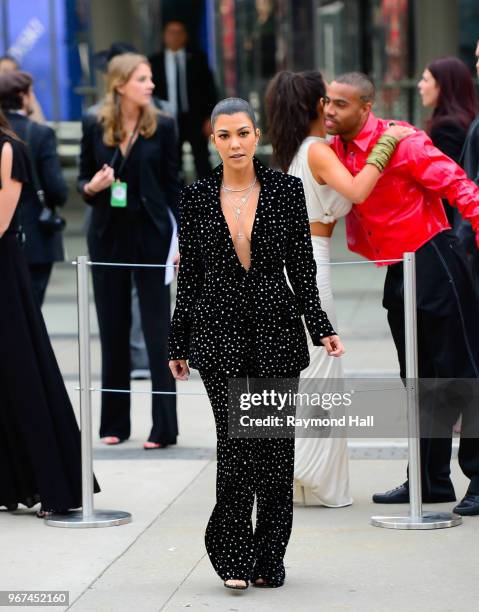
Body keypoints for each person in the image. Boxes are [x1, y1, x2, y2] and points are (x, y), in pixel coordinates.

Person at [168, 97, 344, 589]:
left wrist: (321, 325)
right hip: (218, 330)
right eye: (224, 135)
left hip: (275, 329)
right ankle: (231, 552)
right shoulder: (196, 196)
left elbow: (302, 269)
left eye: (243, 133)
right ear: (213, 140)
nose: (235, 143)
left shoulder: (287, 192)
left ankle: (269, 556)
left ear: (257, 134)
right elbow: (192, 278)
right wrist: (177, 341)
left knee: (273, 449)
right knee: (236, 446)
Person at [324, 72, 479, 516]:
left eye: (340, 103)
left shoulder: (403, 141)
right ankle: (429, 482)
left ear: (365, 107)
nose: (330, 110)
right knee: (416, 378)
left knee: (461, 375)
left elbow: (461, 188)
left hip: (436, 259)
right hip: (397, 267)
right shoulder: (336, 150)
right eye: (327, 102)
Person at [265, 70, 413, 507]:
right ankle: (307, 476)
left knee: (311, 372)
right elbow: (358, 191)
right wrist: (387, 143)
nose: (331, 107)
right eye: (326, 100)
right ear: (314, 106)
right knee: (320, 374)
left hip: (299, 260)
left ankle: (297, 475)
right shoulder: (316, 152)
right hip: (311, 262)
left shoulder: (298, 152)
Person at [77, 53, 181, 449]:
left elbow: (173, 185)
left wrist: (183, 237)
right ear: (120, 84)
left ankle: (163, 428)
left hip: (152, 234)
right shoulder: (94, 123)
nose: (150, 85)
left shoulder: (163, 125)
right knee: (113, 330)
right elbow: (82, 183)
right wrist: (94, 187)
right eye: (142, 78)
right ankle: (114, 424)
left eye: (150, 78)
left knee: (159, 332)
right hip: (106, 235)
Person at [0, 108, 98, 516]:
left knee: (24, 378)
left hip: (3, 280)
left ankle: (53, 484)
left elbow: (1, 222)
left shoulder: (9, 149)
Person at [0, 70, 67, 306]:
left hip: (7, 239)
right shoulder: (40, 133)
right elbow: (58, 190)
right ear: (22, 96)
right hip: (35, 237)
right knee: (30, 314)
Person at [149, 20, 218, 179]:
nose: (175, 36)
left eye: (179, 32)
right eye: (171, 32)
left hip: (196, 118)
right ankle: (177, 200)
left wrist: (210, 117)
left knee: (202, 160)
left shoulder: (197, 58)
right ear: (164, 36)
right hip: (167, 118)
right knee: (172, 162)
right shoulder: (155, 62)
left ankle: (206, 199)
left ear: (185, 36)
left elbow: (209, 90)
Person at [418, 56, 479, 225]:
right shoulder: (469, 119)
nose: (420, 85)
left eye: (425, 80)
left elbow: (445, 182)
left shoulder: (447, 127)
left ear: (442, 85)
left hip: (454, 225)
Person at [0, 55, 45, 123]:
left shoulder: (23, 96)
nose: (10, 75)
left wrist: (30, 95)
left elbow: (40, 124)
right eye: (5, 71)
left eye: (13, 71)